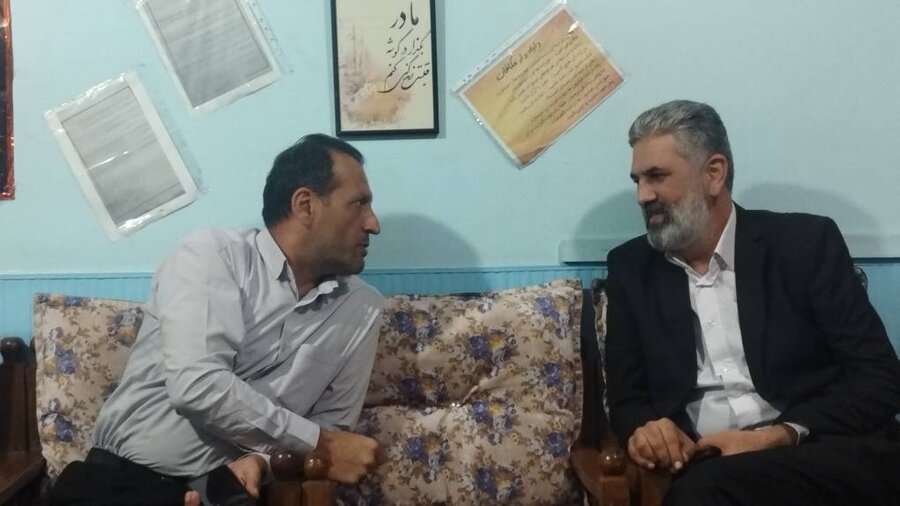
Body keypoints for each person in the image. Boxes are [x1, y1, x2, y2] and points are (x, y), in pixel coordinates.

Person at [51, 133, 384, 505]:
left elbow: (333, 427)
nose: (373, 224)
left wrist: (263, 462)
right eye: (359, 204)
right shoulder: (211, 257)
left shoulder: (362, 307)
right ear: (305, 205)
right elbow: (197, 386)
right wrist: (321, 444)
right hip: (122, 484)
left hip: (232, 492)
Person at [604, 100, 900, 505]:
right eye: (637, 180)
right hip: (705, 461)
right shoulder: (631, 268)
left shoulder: (803, 244)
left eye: (657, 176)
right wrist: (647, 430)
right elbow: (627, 399)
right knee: (700, 490)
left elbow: (880, 378)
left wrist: (779, 435)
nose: (642, 195)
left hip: (817, 448)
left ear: (713, 174)